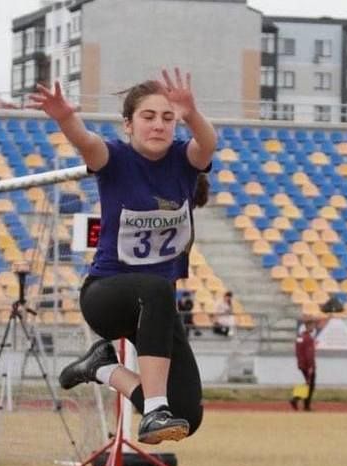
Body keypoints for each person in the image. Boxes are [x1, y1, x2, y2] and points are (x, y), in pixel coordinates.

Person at [33, 68, 217, 444]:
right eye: (148, 117)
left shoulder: (184, 161)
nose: (158, 125)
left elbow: (208, 144)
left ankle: (102, 369)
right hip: (106, 296)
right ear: (129, 125)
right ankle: (154, 409)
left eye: (167, 118)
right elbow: (85, 143)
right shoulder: (114, 159)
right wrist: (66, 117)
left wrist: (192, 113)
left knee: (186, 416)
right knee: (157, 288)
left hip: (154, 308)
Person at [291, 317, 318, 411]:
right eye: (313, 325)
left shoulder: (300, 337)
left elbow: (297, 351)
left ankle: (298, 400)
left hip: (302, 364)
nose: (314, 327)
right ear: (308, 326)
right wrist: (311, 366)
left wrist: (299, 363)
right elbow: (309, 354)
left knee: (308, 383)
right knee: (310, 385)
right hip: (308, 365)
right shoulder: (309, 339)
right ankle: (299, 401)